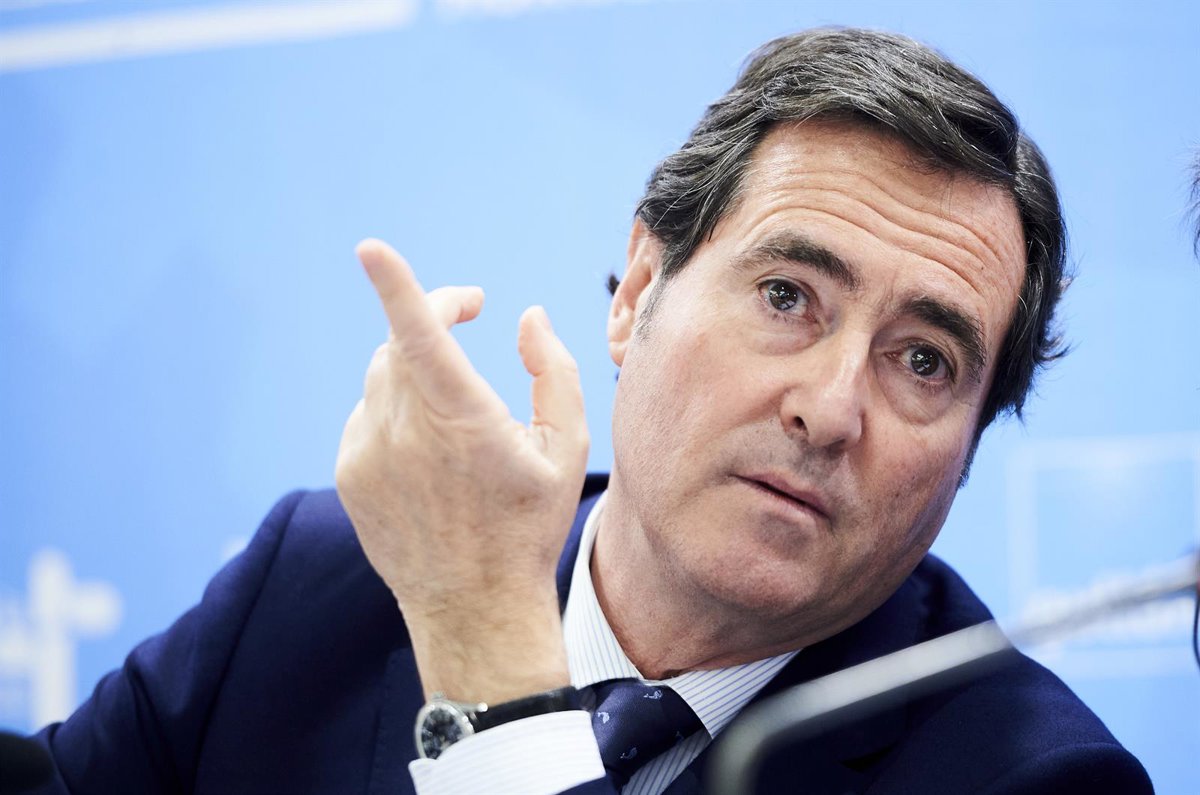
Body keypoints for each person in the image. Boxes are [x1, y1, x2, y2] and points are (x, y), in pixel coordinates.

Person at [28, 28, 1152, 795]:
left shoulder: (1035, 775)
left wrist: (487, 653)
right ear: (638, 291)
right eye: (785, 295)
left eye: (924, 360)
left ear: (968, 449)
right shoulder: (321, 579)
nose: (828, 409)